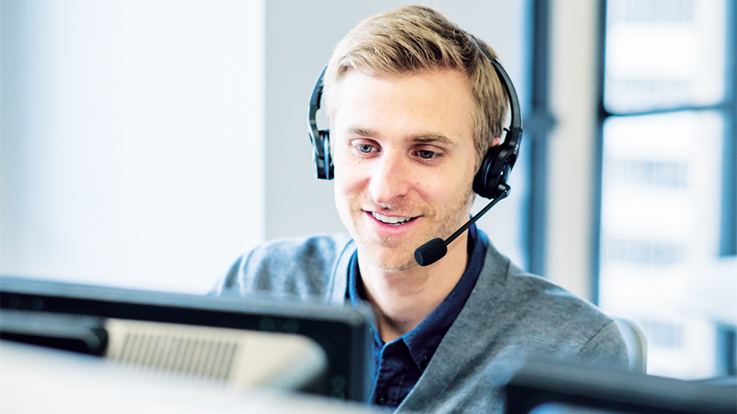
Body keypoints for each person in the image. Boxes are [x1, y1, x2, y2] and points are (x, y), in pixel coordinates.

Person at [214, 5, 628, 413]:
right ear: (327, 151)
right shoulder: (260, 284)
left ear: (486, 167)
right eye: (364, 147)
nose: (385, 189)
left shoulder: (575, 349)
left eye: (426, 153)